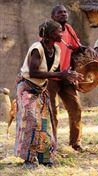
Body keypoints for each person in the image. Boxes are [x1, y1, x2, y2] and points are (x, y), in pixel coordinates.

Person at [15, 20, 83, 167]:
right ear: (51, 34)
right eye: (59, 31)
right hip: (27, 87)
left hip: (41, 88)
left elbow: (53, 70)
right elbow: (33, 72)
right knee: (32, 122)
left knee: (45, 122)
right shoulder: (37, 48)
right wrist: (61, 74)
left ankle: (45, 157)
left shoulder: (56, 49)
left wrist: (70, 74)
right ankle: (29, 159)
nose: (61, 33)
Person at [48, 5, 94, 152]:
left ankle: (75, 143)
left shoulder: (68, 29)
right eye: (59, 12)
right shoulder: (48, 30)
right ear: (53, 16)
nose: (63, 14)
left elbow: (77, 47)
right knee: (52, 112)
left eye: (65, 12)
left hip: (67, 76)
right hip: (51, 77)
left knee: (76, 108)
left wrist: (88, 48)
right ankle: (52, 144)